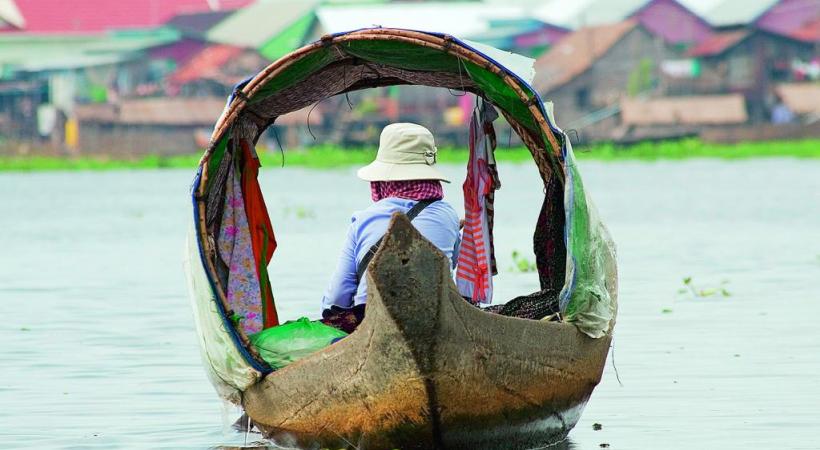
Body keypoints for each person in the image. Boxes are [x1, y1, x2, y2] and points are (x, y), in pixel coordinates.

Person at [320, 123, 461, 330]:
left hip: (372, 323)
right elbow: (449, 265)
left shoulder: (362, 220)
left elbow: (338, 295)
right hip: (432, 322)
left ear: (382, 179)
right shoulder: (448, 216)